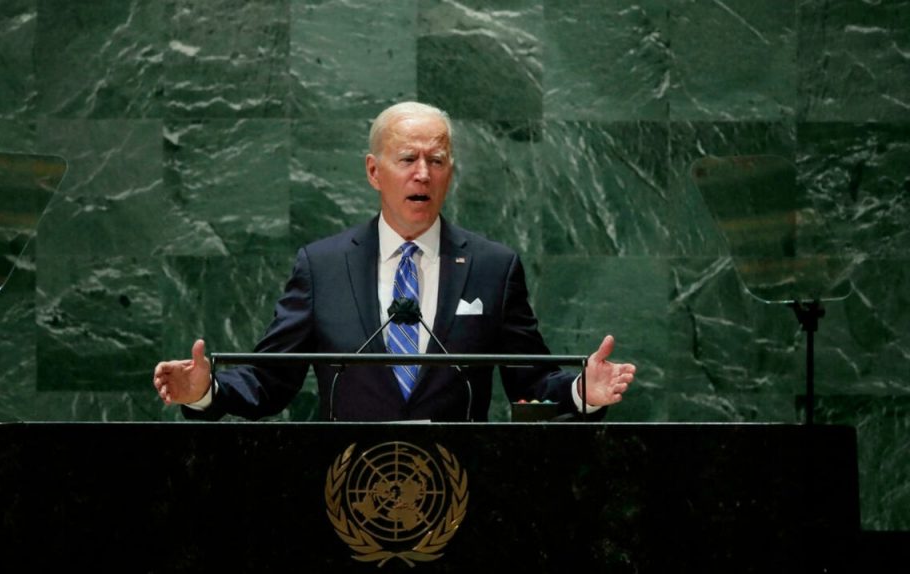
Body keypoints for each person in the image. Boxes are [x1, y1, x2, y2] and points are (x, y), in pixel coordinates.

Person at [153, 101, 635, 422]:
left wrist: (582, 391)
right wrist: (205, 390)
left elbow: (530, 379)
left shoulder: (493, 267)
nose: (423, 173)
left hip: (459, 490)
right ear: (373, 171)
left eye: (437, 160)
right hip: (348, 489)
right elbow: (270, 378)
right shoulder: (323, 266)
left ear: (450, 173)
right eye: (407, 159)